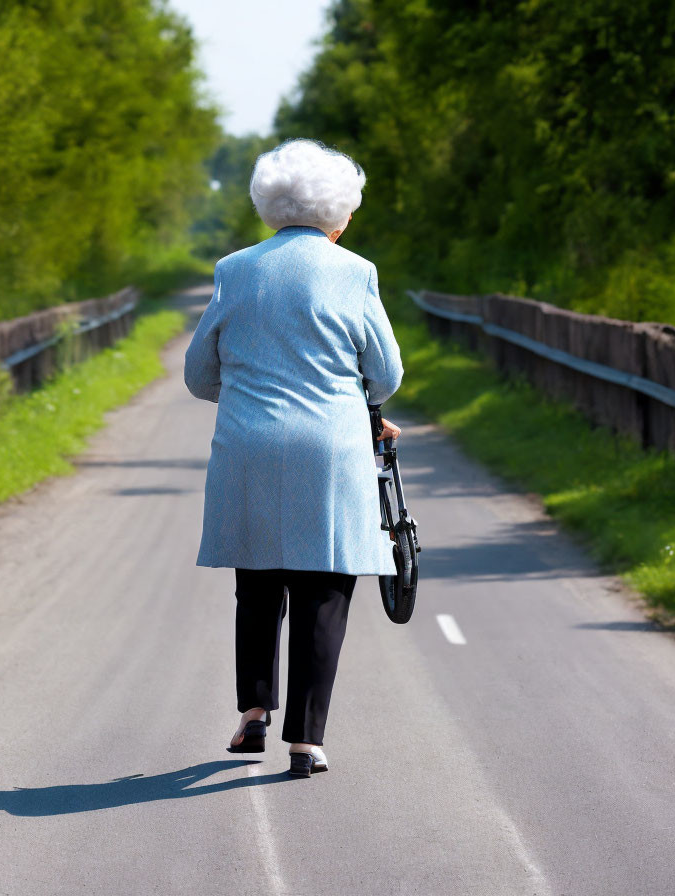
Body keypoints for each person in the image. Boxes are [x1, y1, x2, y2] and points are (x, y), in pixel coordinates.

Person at [183, 137, 404, 777]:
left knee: (255, 583)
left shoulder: (234, 269)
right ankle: (307, 741)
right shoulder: (357, 272)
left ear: (270, 205)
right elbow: (384, 375)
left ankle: (254, 713)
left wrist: (248, 393)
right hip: (330, 450)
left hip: (248, 445)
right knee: (324, 589)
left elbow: (200, 375)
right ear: (340, 214)